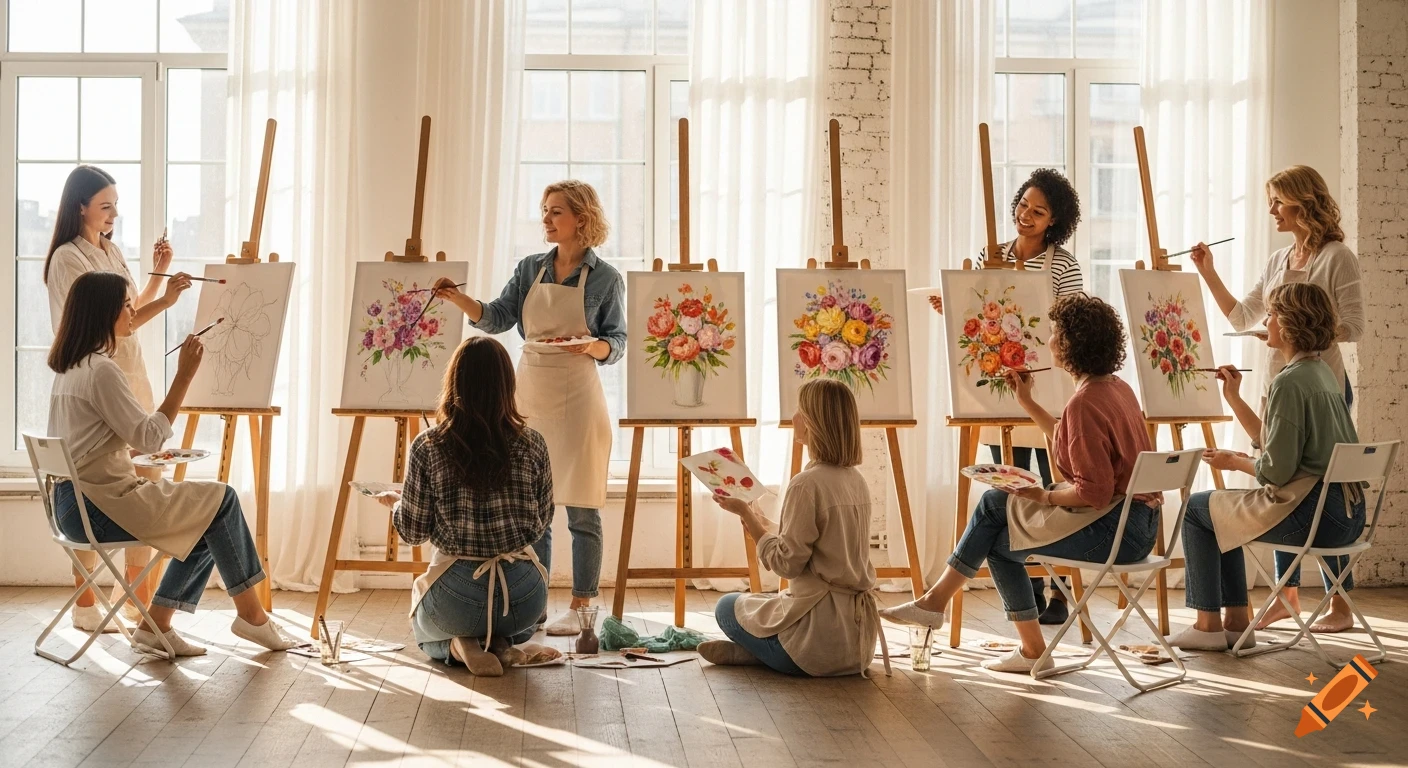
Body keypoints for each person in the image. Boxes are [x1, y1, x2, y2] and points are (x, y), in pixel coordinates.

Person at [882, 295, 1158, 674]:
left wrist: (1042, 495)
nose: (1047, 341)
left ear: (1069, 344)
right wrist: (1026, 401)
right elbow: (1069, 437)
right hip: (1140, 526)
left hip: (1114, 531)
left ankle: (944, 608)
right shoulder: (1115, 389)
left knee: (996, 505)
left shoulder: (1085, 403)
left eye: (1054, 333)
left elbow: (1093, 493)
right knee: (998, 539)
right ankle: (964, 618)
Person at [47, 272, 296, 656]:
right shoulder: (101, 371)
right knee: (222, 500)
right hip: (99, 505)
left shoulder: (70, 369)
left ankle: (159, 625)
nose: (133, 311)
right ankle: (250, 618)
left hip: (70, 506)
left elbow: (88, 444)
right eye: (126, 304)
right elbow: (149, 437)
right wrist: (184, 375)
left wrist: (125, 454)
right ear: (104, 313)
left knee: (206, 511)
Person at [432, 180, 626, 637]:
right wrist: (459, 299)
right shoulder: (529, 269)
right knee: (532, 505)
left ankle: (582, 607)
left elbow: (617, 343)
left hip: (580, 392)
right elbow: (498, 316)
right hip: (530, 391)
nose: (546, 218)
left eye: (555, 211)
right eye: (544, 210)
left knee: (581, 507)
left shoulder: (605, 278)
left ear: (581, 217)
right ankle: (533, 600)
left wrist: (593, 346)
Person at [1189, 165, 1364, 632]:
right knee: (1287, 484)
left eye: (1277, 202)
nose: (1271, 210)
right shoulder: (1277, 259)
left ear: (1303, 203)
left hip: (1322, 381)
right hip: (1280, 380)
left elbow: (1356, 325)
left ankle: (1339, 602)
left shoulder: (1337, 257)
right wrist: (1207, 272)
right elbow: (1243, 313)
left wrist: (1307, 329)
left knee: (1311, 482)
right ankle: (1286, 596)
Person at [1169, 283, 1363, 651]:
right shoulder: (1320, 372)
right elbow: (1277, 441)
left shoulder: (1289, 383)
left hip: (1313, 514)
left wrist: (1236, 462)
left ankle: (1208, 626)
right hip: (1345, 514)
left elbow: (1275, 471)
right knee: (1217, 508)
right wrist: (1234, 398)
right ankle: (1236, 623)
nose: (1266, 321)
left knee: (1197, 508)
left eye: (1272, 314)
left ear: (1288, 325)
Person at [928, 168, 1084, 625]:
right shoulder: (990, 254)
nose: (1026, 216)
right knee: (1009, 483)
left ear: (1054, 220)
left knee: (1047, 486)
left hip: (1045, 382)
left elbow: (1071, 319)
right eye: (1023, 205)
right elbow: (978, 311)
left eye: (1038, 211)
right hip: (997, 384)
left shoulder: (1061, 263)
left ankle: (1058, 589)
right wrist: (950, 304)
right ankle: (1029, 587)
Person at [43, 165, 193, 632]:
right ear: (80, 206)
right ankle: (87, 606)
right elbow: (100, 322)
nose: (113, 214)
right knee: (98, 482)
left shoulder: (111, 250)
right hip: (99, 380)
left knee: (140, 483)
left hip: (129, 375)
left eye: (115, 205)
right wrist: (165, 303)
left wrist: (159, 277)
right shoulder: (68, 259)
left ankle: (135, 602)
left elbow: (125, 312)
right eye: (105, 205)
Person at [385, 337, 561, 676]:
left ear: (454, 383)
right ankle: (501, 644)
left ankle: (457, 645)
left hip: (459, 593)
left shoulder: (428, 445)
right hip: (523, 597)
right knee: (515, 623)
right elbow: (541, 524)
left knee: (423, 632)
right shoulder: (533, 443)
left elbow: (413, 531)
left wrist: (396, 506)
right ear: (507, 385)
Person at [699, 379, 884, 677]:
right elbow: (816, 542)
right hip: (858, 648)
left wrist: (745, 513)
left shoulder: (806, 484)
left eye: (800, 410)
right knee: (762, 604)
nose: (793, 417)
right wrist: (759, 521)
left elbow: (786, 565)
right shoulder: (855, 480)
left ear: (813, 423)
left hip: (815, 648)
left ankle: (761, 655)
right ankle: (756, 654)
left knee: (726, 606)